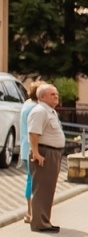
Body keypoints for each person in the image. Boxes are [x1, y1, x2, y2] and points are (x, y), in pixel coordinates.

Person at [26, 83, 66, 233]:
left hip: (53, 153)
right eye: (52, 94)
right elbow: (33, 133)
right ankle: (39, 223)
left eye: (56, 94)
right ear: (42, 97)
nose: (56, 97)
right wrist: (36, 153)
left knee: (48, 189)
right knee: (41, 189)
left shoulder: (50, 112)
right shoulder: (40, 111)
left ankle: (44, 220)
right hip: (44, 153)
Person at [19, 81, 37, 224]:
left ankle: (30, 212)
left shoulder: (26, 104)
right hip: (31, 148)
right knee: (32, 181)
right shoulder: (34, 108)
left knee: (30, 179)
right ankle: (31, 212)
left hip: (25, 147)